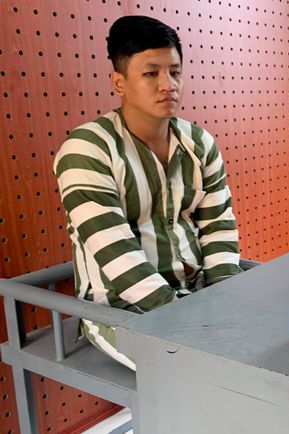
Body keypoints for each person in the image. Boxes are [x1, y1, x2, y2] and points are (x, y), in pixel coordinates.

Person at [54, 16, 242, 369]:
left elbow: (218, 225)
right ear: (119, 82)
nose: (167, 85)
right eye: (151, 73)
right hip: (119, 311)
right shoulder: (88, 149)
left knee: (267, 342)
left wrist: (225, 299)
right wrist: (187, 322)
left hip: (198, 295)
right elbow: (115, 253)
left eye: (175, 72)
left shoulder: (199, 143)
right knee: (204, 371)